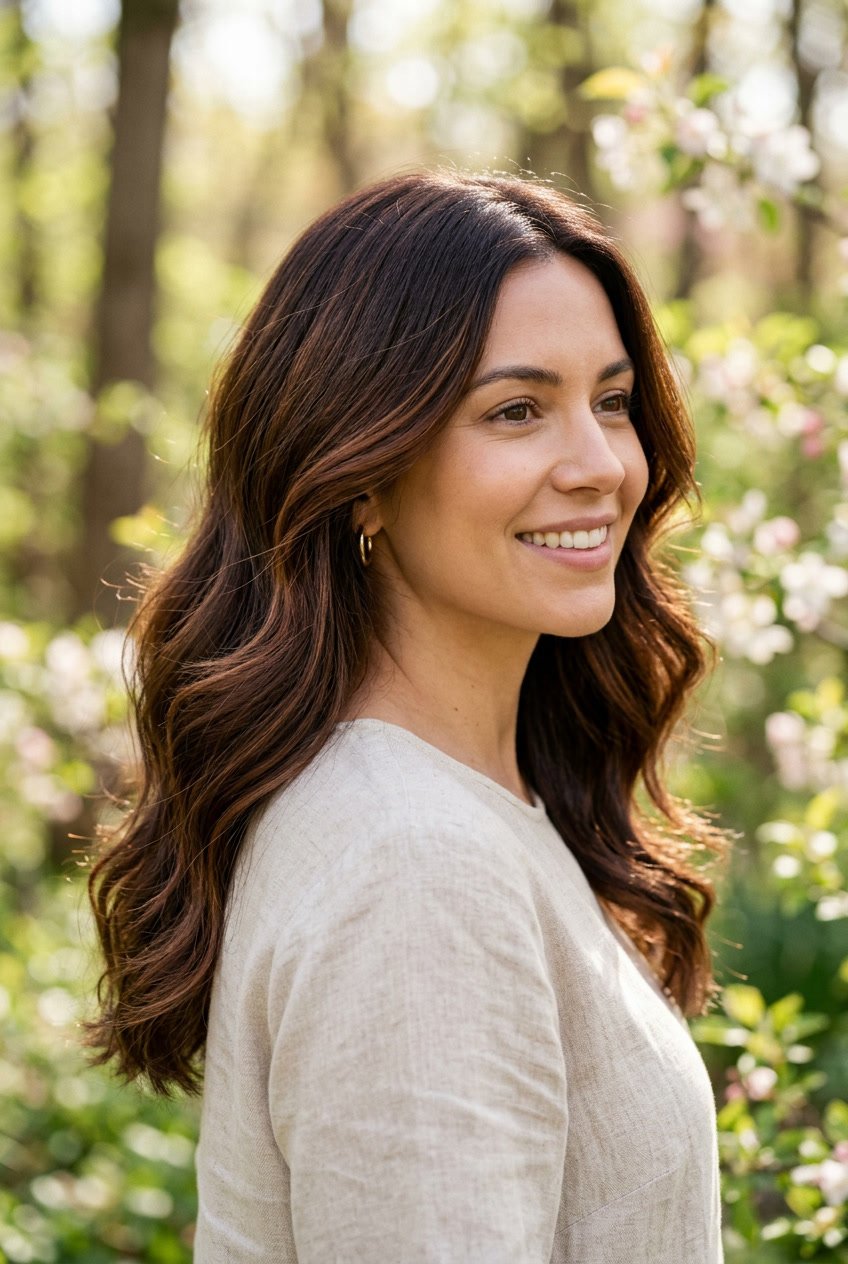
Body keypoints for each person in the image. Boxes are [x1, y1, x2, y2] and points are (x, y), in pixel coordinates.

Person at [86, 169, 730, 1262]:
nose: (599, 465)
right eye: (515, 409)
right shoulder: (413, 863)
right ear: (361, 474)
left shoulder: (464, 808)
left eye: (611, 401)